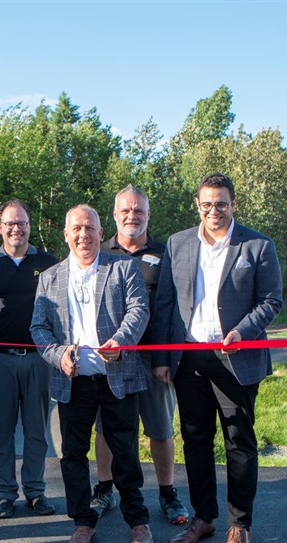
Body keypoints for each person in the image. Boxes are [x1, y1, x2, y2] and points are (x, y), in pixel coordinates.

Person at [152, 173, 283, 543]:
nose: (214, 211)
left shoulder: (257, 245)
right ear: (198, 205)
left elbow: (271, 300)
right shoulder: (177, 244)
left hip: (236, 358)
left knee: (239, 441)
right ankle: (204, 518)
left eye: (221, 204)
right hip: (189, 357)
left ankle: (240, 523)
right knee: (195, 440)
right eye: (207, 204)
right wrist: (162, 356)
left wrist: (243, 331)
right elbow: (164, 303)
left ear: (234, 204)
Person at [30, 204, 154, 543]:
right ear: (66, 235)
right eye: (77, 229)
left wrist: (121, 340)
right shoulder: (49, 277)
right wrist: (58, 356)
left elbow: (139, 310)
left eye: (90, 228)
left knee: (126, 453)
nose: (83, 234)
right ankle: (82, 522)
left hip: (117, 377)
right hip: (72, 382)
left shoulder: (124, 267)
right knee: (72, 454)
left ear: (101, 232)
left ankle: (138, 522)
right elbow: (38, 328)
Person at [91, 186, 189, 524]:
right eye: (126, 210)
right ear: (114, 215)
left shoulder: (166, 254)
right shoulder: (100, 252)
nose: (132, 216)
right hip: (111, 360)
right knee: (106, 428)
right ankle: (104, 489)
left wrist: (164, 357)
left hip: (151, 359)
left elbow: (169, 310)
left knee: (160, 429)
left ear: (148, 214)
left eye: (139, 211)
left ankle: (168, 494)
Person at [0, 199, 58, 518]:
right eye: (9, 223)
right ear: (0, 227)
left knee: (37, 431)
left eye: (21, 223)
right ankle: (5, 494)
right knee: (2, 431)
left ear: (30, 226)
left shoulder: (49, 263)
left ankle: (35, 491)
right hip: (0, 360)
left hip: (38, 359)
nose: (16, 229)